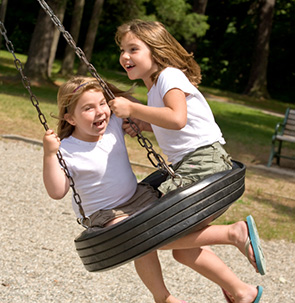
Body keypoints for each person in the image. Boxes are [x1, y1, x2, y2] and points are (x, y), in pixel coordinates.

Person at [43, 76, 265, 303]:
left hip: (139, 198)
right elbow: (57, 191)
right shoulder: (67, 149)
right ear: (70, 118)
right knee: (141, 240)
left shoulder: (112, 123)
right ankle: (164, 297)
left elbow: (128, 104)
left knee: (181, 243)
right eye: (88, 108)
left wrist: (109, 93)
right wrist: (50, 154)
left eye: (102, 104)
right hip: (106, 214)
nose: (100, 112)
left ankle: (241, 288)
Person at [107, 19, 266, 303]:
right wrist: (143, 125)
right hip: (194, 164)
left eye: (133, 49)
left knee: (153, 234)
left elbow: (177, 118)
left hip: (203, 162)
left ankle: (235, 232)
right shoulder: (155, 87)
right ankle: (243, 292)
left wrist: (132, 108)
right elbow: (175, 121)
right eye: (122, 49)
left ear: (155, 51)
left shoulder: (169, 75)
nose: (125, 56)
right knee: (183, 249)